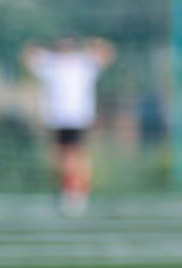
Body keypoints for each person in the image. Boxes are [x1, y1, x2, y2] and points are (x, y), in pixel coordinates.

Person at [23, 38, 115, 214]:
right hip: (57, 117)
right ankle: (68, 189)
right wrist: (34, 46)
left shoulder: (84, 62)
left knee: (75, 155)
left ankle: (77, 191)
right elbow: (28, 56)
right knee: (61, 156)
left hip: (78, 116)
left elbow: (107, 54)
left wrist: (97, 43)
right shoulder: (51, 63)